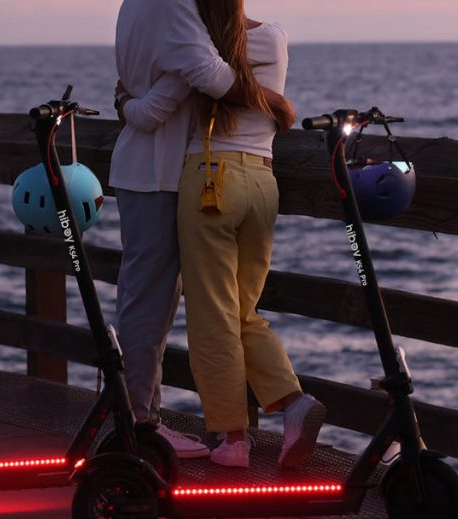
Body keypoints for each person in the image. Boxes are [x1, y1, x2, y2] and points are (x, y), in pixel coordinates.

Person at [121, 0, 325, 469]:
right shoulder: (274, 37)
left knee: (213, 315)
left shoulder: (203, 54)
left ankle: (233, 439)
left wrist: (123, 101)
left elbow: (168, 102)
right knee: (244, 311)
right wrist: (271, 101)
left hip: (212, 181)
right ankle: (292, 402)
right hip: (264, 181)